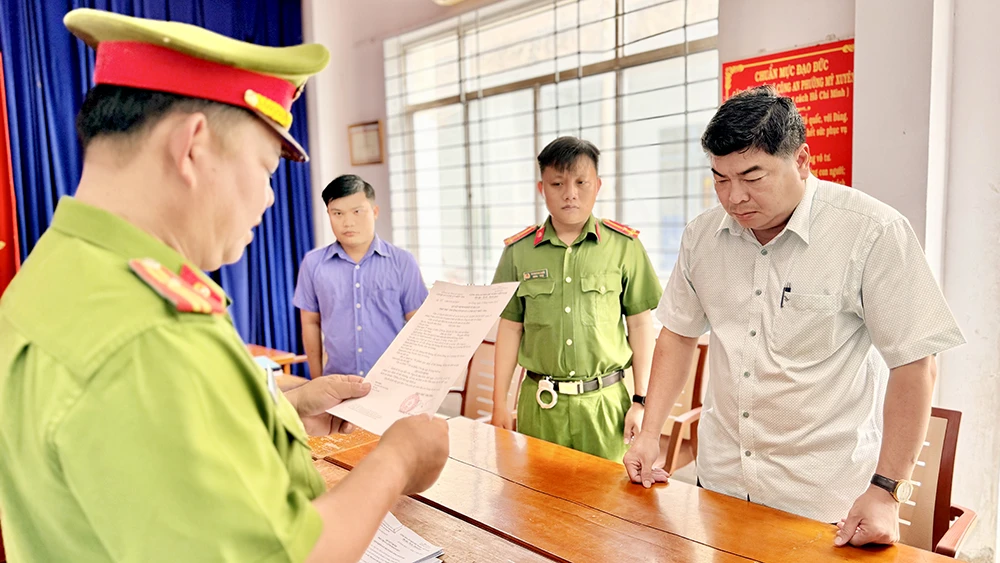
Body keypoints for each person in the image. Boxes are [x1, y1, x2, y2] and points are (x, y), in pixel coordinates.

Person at [0, 9, 448, 562]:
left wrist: (296, 397)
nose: (267, 199)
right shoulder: (150, 337)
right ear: (193, 146)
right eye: (264, 168)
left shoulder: (58, 272)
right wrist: (396, 460)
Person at [623, 86, 965, 548]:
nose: (734, 197)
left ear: (801, 160)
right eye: (720, 179)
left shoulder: (871, 232)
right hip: (721, 485)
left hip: (823, 504)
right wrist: (650, 434)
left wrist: (888, 490)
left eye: (752, 176)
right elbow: (679, 335)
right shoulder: (702, 237)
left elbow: (915, 363)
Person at [489, 136, 662, 462]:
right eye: (557, 183)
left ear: (597, 185)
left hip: (605, 404)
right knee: (538, 499)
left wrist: (641, 401)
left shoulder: (624, 245)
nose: (570, 193)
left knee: (609, 503)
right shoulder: (518, 252)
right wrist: (500, 404)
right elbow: (510, 329)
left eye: (581, 182)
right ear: (542, 188)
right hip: (540, 404)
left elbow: (640, 325)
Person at [294, 174, 427, 380]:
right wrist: (317, 380)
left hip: (391, 382)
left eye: (357, 212)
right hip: (336, 384)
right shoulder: (313, 263)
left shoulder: (402, 262)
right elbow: (310, 322)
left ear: (374, 212)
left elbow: (419, 326)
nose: (348, 222)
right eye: (337, 213)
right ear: (328, 214)